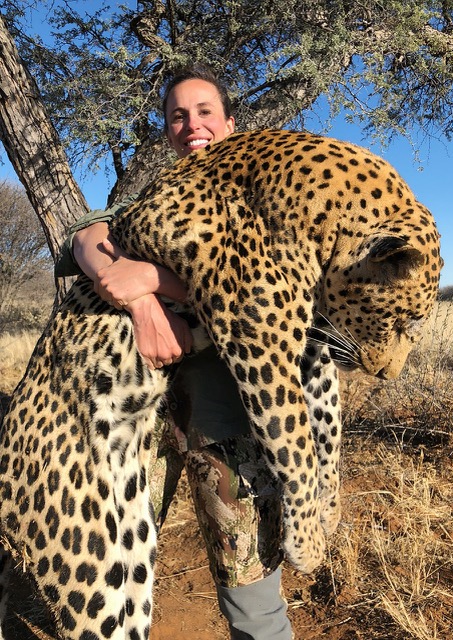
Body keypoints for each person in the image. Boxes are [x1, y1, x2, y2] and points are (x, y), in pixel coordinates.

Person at [56, 63, 294, 640]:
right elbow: (87, 235)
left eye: (205, 111)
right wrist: (133, 291)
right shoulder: (156, 197)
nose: (192, 125)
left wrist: (152, 280)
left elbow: (269, 290)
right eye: (178, 116)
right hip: (133, 418)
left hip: (228, 418)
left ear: (230, 122)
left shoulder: (268, 199)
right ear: (166, 129)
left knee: (252, 595)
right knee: (110, 570)